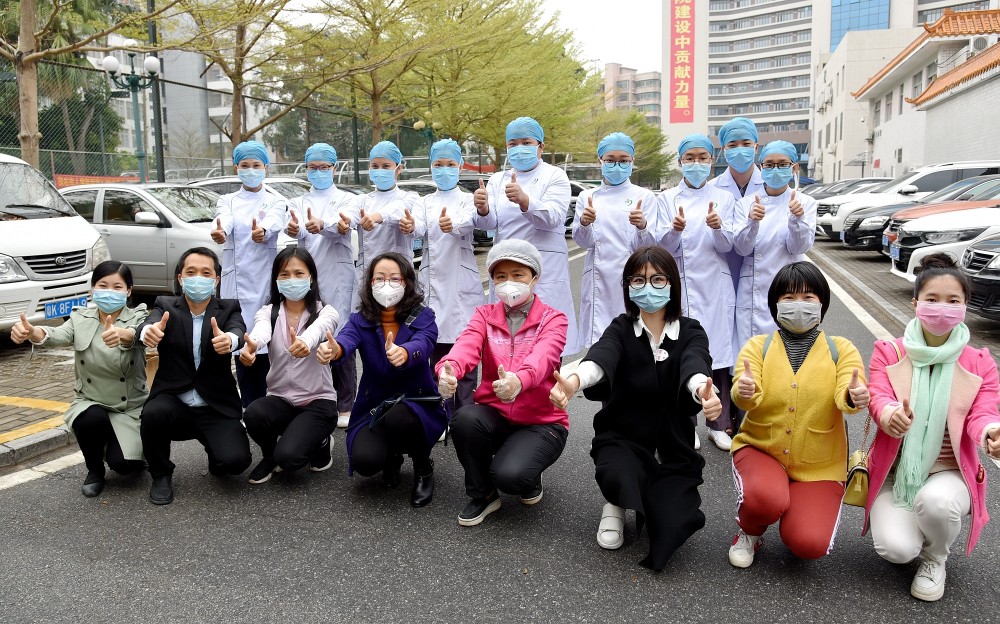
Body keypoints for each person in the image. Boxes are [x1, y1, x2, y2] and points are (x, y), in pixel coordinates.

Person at [549, 246, 719, 571]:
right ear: (628, 286)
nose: (648, 287)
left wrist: (701, 389)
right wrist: (574, 381)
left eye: (657, 279)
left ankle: (650, 496)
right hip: (623, 437)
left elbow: (695, 364)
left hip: (673, 447)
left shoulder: (691, 330)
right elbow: (602, 356)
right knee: (618, 474)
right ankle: (615, 503)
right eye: (638, 280)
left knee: (672, 525)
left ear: (672, 284)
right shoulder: (621, 327)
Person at [864, 253, 1000, 602]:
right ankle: (916, 536)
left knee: (937, 503)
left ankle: (936, 557)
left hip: (948, 471)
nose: (942, 308)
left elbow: (982, 413)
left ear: (965, 306)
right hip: (898, 472)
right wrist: (890, 414)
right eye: (932, 299)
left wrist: (990, 432)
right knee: (896, 550)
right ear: (915, 303)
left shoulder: (980, 362)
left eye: (953, 301)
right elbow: (878, 395)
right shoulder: (889, 351)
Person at [728, 262, 869, 568]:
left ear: (822, 303)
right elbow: (743, 392)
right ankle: (750, 531)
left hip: (820, 464)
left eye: (808, 297)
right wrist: (746, 391)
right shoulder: (758, 346)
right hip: (761, 449)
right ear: (775, 304)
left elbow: (848, 391)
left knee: (809, 544)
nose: (799, 305)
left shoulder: (841, 349)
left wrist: (854, 396)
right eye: (789, 298)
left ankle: (793, 508)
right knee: (765, 499)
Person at [436, 239, 568, 527]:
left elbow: (543, 357)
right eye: (500, 276)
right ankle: (483, 494)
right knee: (465, 418)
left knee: (512, 476)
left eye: (518, 275)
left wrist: (519, 381)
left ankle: (529, 473)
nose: (509, 283)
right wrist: (449, 371)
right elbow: (465, 346)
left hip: (542, 421)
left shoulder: (554, 319)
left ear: (535, 278)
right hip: (495, 414)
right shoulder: (484, 315)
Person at [317, 252, 446, 508]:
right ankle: (392, 457)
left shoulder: (424, 316)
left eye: (394, 278)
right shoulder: (361, 319)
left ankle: (423, 467)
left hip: (416, 402)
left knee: (401, 417)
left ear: (406, 282)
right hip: (375, 404)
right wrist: (335, 350)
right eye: (379, 278)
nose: (386, 284)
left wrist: (406, 351)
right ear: (370, 284)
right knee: (365, 462)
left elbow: (425, 341)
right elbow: (346, 340)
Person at [9, 261, 148, 497]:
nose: (110, 291)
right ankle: (94, 470)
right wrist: (32, 331)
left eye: (117, 287)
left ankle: (122, 448)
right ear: (93, 290)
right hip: (91, 399)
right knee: (88, 418)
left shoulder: (139, 315)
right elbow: (56, 335)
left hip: (129, 407)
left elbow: (141, 333)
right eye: (103, 285)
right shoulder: (80, 317)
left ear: (129, 291)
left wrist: (124, 335)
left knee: (125, 467)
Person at [138, 247, 252, 505]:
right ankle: (161, 474)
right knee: (153, 414)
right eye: (191, 272)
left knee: (234, 463)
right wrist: (148, 333)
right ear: (180, 278)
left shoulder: (228, 308)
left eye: (205, 272)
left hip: (215, 405)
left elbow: (238, 330)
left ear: (216, 280)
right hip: (174, 403)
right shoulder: (165, 305)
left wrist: (231, 340)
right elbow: (148, 325)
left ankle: (216, 453)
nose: (198, 277)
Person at [653, 133, 739, 451]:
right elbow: (661, 246)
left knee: (717, 356)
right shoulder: (666, 199)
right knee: (680, 357)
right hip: (680, 285)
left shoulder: (726, 198)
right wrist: (674, 230)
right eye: (689, 158)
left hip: (715, 285)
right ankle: (684, 423)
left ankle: (718, 424)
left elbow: (730, 246)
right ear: (680, 162)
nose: (696, 163)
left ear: (711, 160)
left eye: (702, 157)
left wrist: (718, 227)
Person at [473, 116, 578, 356]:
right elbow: (489, 225)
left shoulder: (555, 176)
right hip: (507, 267)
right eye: (512, 143)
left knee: (546, 344)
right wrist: (482, 209)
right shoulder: (498, 179)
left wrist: (525, 200)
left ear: (541, 146)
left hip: (544, 270)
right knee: (507, 343)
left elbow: (553, 217)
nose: (519, 148)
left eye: (526, 142)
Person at [241, 247, 340, 484]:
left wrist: (305, 341)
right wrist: (252, 345)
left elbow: (319, 330)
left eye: (298, 273)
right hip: (281, 398)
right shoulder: (269, 312)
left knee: (290, 458)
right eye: (284, 274)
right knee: (254, 414)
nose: (291, 279)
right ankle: (268, 456)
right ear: (276, 279)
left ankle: (322, 441)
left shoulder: (325, 311)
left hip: (318, 401)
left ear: (311, 277)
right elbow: (261, 331)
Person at [285, 142, 359, 429]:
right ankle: (316, 398)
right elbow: (296, 227)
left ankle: (346, 403)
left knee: (339, 336)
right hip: (308, 277)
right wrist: (296, 228)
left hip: (338, 278)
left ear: (334, 167)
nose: (318, 172)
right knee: (309, 334)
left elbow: (345, 223)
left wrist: (327, 224)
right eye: (312, 168)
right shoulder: (297, 202)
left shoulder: (347, 199)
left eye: (323, 167)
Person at [210, 140, 286, 407]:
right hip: (237, 286)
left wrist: (262, 230)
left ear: (265, 167)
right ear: (236, 168)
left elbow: (275, 219)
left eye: (256, 165)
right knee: (240, 340)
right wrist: (219, 231)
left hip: (264, 282)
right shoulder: (227, 200)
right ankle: (249, 404)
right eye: (245, 165)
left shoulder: (276, 200)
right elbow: (223, 220)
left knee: (267, 340)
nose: (251, 170)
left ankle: (273, 399)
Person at [413, 138, 483, 409]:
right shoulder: (424, 202)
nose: (444, 169)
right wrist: (410, 226)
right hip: (432, 283)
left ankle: (465, 412)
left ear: (460, 166)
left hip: (461, 281)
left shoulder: (468, 199)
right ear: (431, 167)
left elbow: (472, 222)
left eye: (450, 164)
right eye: (438, 165)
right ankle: (440, 411)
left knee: (464, 349)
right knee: (436, 351)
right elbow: (418, 227)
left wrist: (451, 224)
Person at [732, 140, 816, 357]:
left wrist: (797, 220)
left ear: (794, 168)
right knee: (752, 354)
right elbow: (741, 249)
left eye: (782, 164)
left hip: (791, 287)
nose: (775, 169)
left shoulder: (806, 202)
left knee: (787, 355)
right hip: (753, 290)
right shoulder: (746, 203)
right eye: (769, 165)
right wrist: (752, 222)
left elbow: (800, 247)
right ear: (761, 168)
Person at [573, 131, 656, 349]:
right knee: (600, 343)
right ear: (600, 160)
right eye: (610, 160)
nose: (616, 166)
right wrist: (584, 223)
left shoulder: (644, 196)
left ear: (632, 162)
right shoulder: (588, 197)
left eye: (623, 161)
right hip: (599, 278)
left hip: (633, 276)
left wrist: (642, 226)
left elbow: (649, 245)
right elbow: (583, 242)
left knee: (633, 339)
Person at [348, 140, 421, 311]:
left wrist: (376, 217)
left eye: (386, 166)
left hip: (398, 277)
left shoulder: (409, 197)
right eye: (375, 166)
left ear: (399, 169)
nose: (380, 170)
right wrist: (341, 223)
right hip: (368, 276)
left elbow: (398, 209)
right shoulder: (361, 200)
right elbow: (348, 215)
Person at [708, 117, 764, 292]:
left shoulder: (769, 187)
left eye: (746, 144)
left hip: (764, 268)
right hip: (723, 269)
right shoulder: (711, 189)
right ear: (723, 150)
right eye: (732, 145)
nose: (740, 150)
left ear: (756, 147)